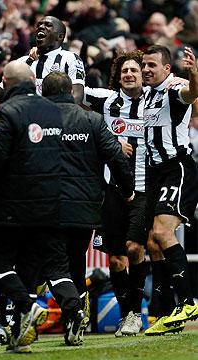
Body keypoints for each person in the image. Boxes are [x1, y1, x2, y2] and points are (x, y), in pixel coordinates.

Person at [0, 60, 91, 353]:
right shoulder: (53, 111)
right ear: (32, 79)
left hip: (12, 206)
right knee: (52, 264)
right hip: (52, 202)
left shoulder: (7, 112)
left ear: (5, 82)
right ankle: (72, 309)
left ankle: (27, 306)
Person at [41, 70, 138, 337]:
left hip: (51, 204)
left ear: (44, 94)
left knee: (54, 265)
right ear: (71, 92)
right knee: (75, 261)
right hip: (87, 207)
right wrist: (128, 189)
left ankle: (73, 310)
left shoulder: (36, 122)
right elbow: (117, 157)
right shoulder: (93, 120)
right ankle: (78, 311)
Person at [84, 51, 148, 337]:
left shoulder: (155, 100)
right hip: (110, 189)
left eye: (134, 69)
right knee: (114, 260)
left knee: (135, 249)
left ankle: (136, 312)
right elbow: (70, 90)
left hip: (144, 187)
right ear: (118, 75)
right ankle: (126, 317)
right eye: (125, 71)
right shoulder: (106, 100)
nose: (129, 74)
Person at [142, 44, 198, 329]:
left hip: (178, 168)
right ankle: (166, 312)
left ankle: (188, 304)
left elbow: (191, 94)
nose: (146, 70)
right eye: (144, 65)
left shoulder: (174, 87)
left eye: (152, 65)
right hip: (156, 172)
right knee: (152, 241)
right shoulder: (145, 96)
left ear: (167, 69)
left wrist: (194, 74)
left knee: (163, 233)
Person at [18, 15, 85, 104]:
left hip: (58, 114)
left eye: (48, 25)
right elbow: (4, 91)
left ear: (60, 37)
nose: (41, 27)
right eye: (39, 25)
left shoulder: (70, 59)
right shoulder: (23, 62)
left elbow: (77, 96)